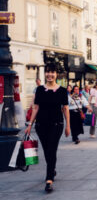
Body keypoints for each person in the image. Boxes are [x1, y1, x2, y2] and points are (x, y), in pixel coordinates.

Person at [25, 63, 70, 192]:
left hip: (56, 124)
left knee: (52, 148)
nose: (50, 74)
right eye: (48, 72)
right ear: (45, 74)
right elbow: (36, 108)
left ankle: (49, 179)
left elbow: (65, 109)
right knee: (46, 150)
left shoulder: (61, 91)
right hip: (41, 125)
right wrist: (30, 125)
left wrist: (68, 126)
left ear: (56, 74)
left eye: (52, 72)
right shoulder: (39, 90)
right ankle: (52, 168)